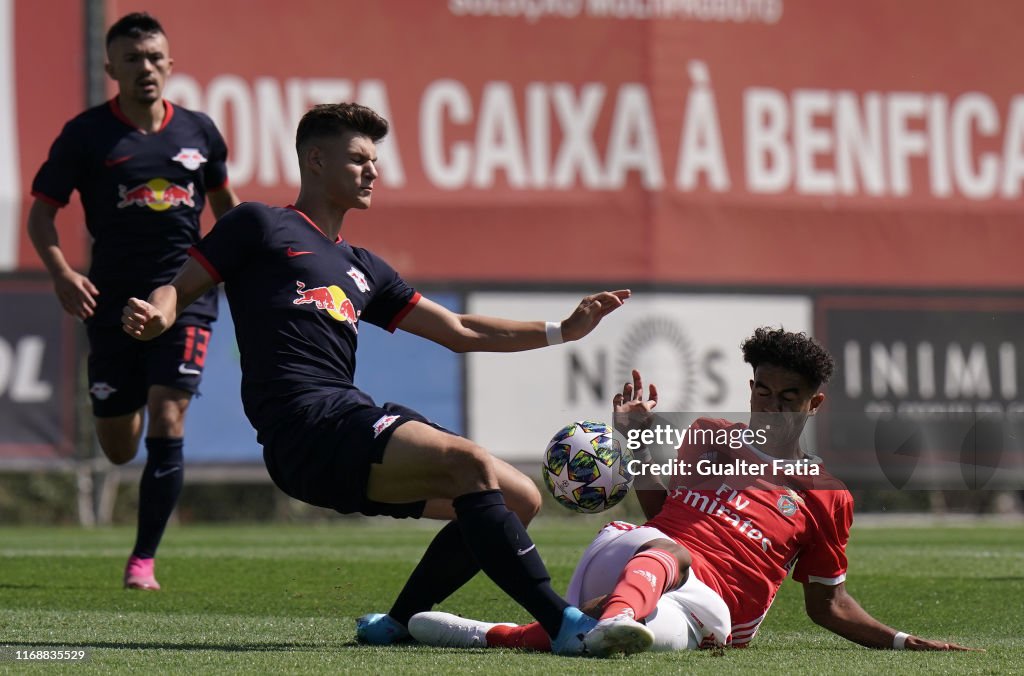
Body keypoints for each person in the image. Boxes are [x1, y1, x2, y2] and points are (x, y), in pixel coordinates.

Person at [120, 101, 648, 656]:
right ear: (315, 160)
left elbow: (461, 329)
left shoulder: (365, 267)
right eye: (358, 159)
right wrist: (160, 312)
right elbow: (178, 286)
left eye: (375, 160)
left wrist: (562, 329)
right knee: (467, 463)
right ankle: (566, 626)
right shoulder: (259, 224)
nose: (373, 171)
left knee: (518, 499)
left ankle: (394, 624)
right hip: (305, 427)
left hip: (342, 427)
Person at [408, 328, 979, 654]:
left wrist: (906, 642)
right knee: (664, 551)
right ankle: (611, 616)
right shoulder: (711, 435)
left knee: (615, 640)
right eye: (762, 390)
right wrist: (634, 437)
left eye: (788, 396)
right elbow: (659, 510)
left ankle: (494, 635)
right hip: (641, 552)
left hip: (712, 612)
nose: (770, 405)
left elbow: (827, 605)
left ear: (814, 404)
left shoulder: (826, 495)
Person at [27, 12, 240, 591]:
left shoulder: (199, 132)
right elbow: (42, 213)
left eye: (154, 58)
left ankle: (142, 560)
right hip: (112, 301)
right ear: (110, 69)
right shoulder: (87, 135)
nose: (145, 68)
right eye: (132, 59)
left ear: (170, 64)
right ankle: (129, 404)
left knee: (169, 413)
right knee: (119, 446)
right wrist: (63, 273)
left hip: (187, 293)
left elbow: (226, 207)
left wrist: (238, 262)